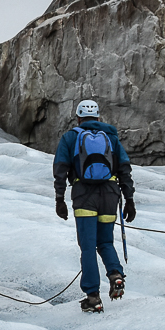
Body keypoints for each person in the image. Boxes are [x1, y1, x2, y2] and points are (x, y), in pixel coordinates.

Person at [53, 100, 135, 313]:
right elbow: (124, 168)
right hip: (110, 195)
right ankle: (115, 274)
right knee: (105, 242)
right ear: (98, 117)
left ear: (78, 118)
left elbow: (60, 168)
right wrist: (129, 199)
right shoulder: (111, 137)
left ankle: (93, 297)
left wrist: (60, 199)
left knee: (88, 246)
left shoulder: (71, 137)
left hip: (84, 195)